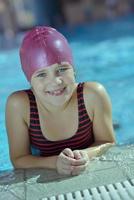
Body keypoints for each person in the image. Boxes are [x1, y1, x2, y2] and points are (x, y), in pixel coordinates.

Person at [5, 26, 116, 176]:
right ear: (29, 80)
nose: (56, 82)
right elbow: (19, 159)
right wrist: (54, 162)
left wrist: (86, 155)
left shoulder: (93, 94)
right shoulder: (19, 105)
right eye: (41, 74)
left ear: (74, 69)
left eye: (62, 69)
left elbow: (107, 142)